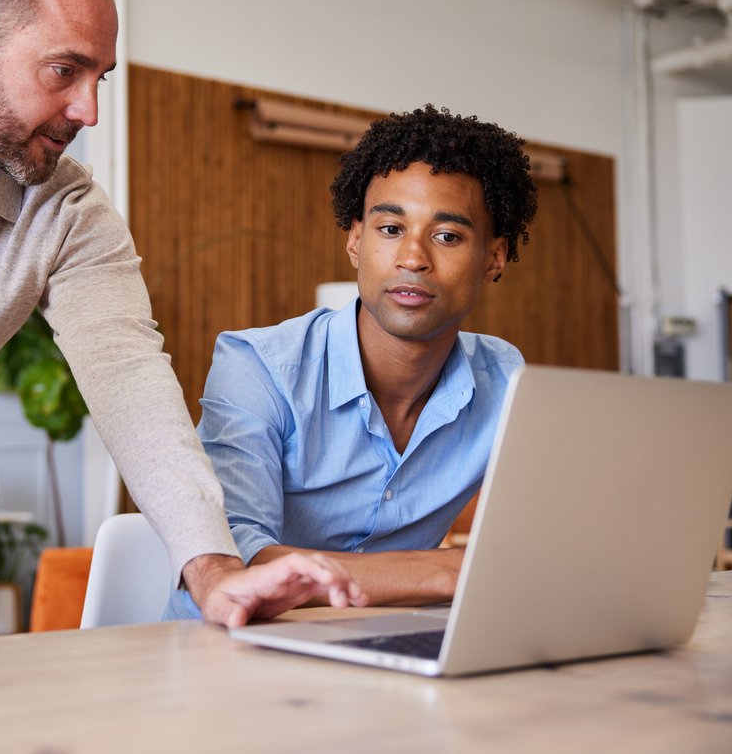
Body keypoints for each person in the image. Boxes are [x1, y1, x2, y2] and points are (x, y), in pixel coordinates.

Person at [0, 0, 360, 638]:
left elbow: (132, 382)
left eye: (98, 77)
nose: (89, 111)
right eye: (63, 71)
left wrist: (212, 569)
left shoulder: (68, 208)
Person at [166, 104, 540, 618]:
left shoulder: (504, 379)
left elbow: (543, 539)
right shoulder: (258, 367)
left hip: (386, 646)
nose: (413, 258)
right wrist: (445, 571)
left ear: (494, 257)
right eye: (390, 229)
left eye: (447, 236)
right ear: (356, 241)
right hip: (233, 644)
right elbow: (239, 558)